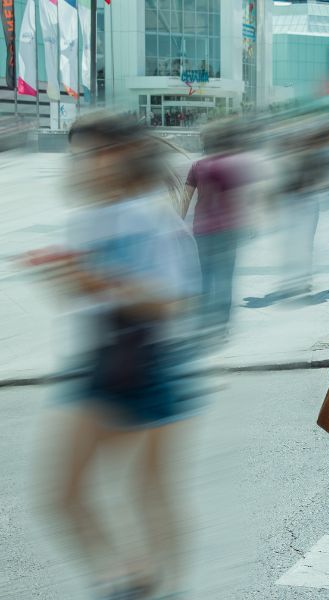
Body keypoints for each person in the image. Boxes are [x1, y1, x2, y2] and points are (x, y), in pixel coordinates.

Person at [47, 113, 201, 600]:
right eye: (80, 156)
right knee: (64, 495)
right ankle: (131, 577)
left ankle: (164, 586)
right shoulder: (86, 218)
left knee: (150, 493)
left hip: (153, 360)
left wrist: (100, 283)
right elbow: (88, 298)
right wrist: (71, 281)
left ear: (122, 154)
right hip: (100, 360)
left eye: (94, 153)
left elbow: (175, 300)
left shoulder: (152, 217)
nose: (86, 165)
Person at [181, 119, 250, 338]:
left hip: (203, 229)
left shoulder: (198, 166)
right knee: (225, 277)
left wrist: (177, 223)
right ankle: (221, 325)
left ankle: (203, 324)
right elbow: (242, 197)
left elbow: (185, 198)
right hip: (230, 229)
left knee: (204, 276)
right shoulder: (235, 164)